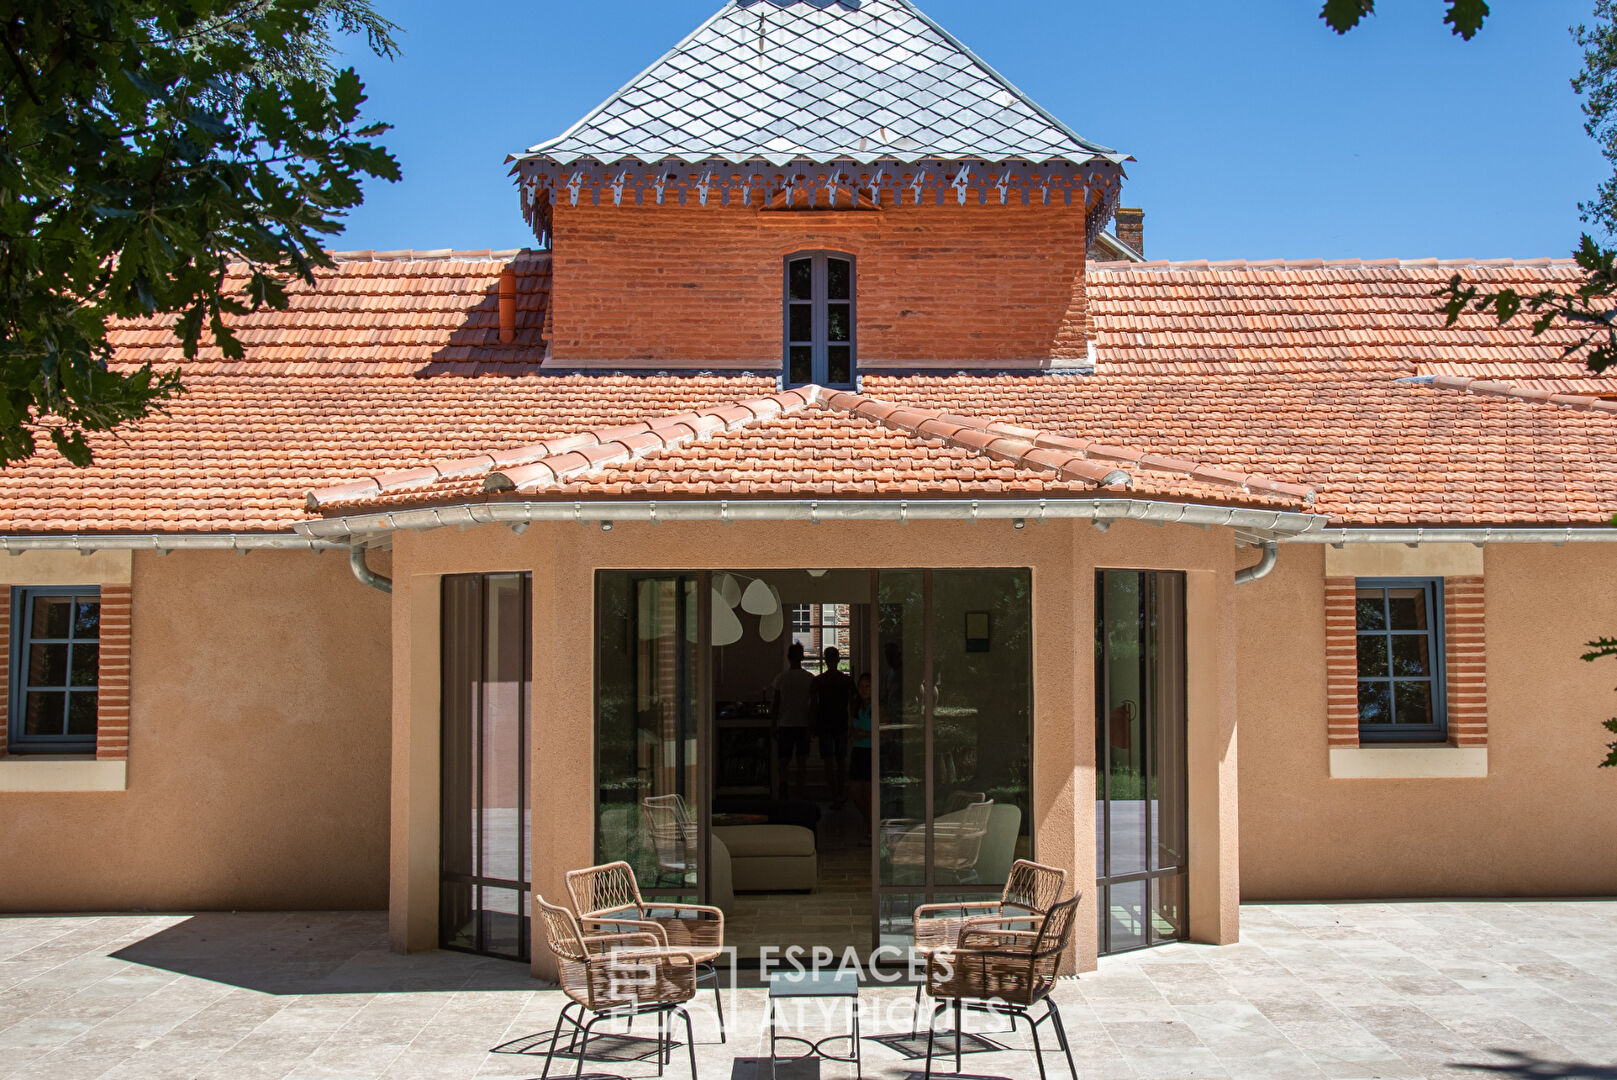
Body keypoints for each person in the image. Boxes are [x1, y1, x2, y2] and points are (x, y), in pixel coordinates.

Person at [810, 646, 855, 806]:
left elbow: (814, 704)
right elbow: (852, 703)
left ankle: (834, 793)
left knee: (828, 760)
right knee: (841, 759)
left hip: (825, 722)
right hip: (840, 721)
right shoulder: (846, 680)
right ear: (838, 660)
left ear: (825, 660)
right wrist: (853, 723)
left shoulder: (819, 681)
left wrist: (813, 723)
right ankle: (841, 791)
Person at [772, 642, 815, 800]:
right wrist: (812, 724)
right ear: (802, 657)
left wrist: (773, 724)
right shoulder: (809, 678)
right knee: (802, 761)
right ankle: (800, 790)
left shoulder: (781, 679)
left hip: (785, 723)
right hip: (802, 723)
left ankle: (783, 787)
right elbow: (813, 704)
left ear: (788, 658)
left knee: (783, 760)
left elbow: (776, 704)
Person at [849, 672, 874, 836]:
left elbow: (884, 732)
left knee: (869, 790)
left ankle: (871, 830)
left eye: (867, 686)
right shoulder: (856, 706)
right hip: (858, 750)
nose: (863, 690)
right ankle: (868, 820)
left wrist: (864, 734)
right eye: (861, 686)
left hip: (871, 750)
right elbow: (852, 729)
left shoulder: (878, 707)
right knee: (855, 789)